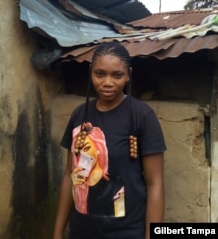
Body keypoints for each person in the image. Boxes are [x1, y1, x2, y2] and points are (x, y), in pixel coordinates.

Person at [53, 41, 166, 239]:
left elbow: (155, 184)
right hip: (81, 232)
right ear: (91, 72)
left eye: (117, 75)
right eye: (100, 74)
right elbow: (68, 176)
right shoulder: (80, 115)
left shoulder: (142, 116)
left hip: (126, 233)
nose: (107, 82)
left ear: (128, 74)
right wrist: (57, 233)